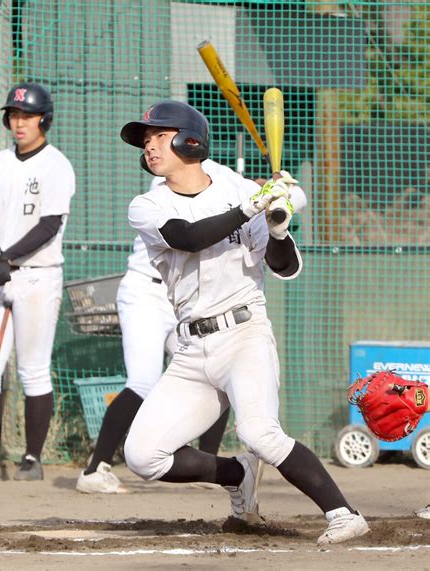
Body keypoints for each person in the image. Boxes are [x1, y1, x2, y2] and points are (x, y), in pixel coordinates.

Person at [119, 100, 369, 545]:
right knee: (142, 456)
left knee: (260, 432)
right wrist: (252, 206)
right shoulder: (147, 204)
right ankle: (235, 473)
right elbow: (189, 237)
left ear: (188, 141)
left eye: (159, 135)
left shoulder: (237, 188)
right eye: (146, 139)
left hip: (244, 334)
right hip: (192, 348)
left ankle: (344, 514)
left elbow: (285, 267)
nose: (149, 145)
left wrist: (276, 227)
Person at [75, 157, 307, 494]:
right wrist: (264, 192)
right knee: (143, 379)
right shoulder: (169, 184)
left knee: (218, 368)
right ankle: (95, 468)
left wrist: (284, 194)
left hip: (192, 305)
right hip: (147, 293)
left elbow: (280, 202)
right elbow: (210, 222)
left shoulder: (217, 176)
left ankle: (217, 467)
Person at [0, 82, 75, 481]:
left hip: (37, 278)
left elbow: (49, 225)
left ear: (44, 119)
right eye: (13, 115)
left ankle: (32, 459)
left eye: (27, 115)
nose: (19, 122)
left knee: (32, 370)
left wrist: (7, 257)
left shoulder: (56, 165)